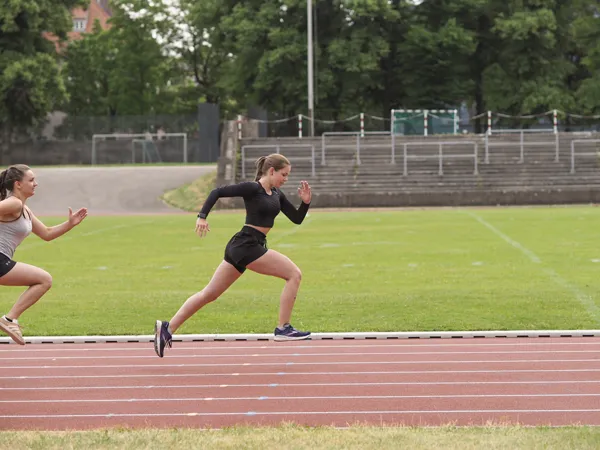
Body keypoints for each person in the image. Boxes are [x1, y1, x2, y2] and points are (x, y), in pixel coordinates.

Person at [154, 154, 312, 357]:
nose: (286, 179)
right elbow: (217, 192)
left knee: (210, 294)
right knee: (294, 274)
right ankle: (283, 328)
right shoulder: (253, 188)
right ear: (271, 171)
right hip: (247, 245)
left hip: (244, 246)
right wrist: (202, 216)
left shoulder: (276, 194)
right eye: (284, 174)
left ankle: (167, 328)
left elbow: (297, 218)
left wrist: (305, 203)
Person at [0, 165, 88, 345]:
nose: (36, 184)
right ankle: (9, 319)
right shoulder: (14, 203)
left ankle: (9, 319)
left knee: (43, 279)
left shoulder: (24, 209)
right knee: (43, 279)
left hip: (3, 260)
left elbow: (46, 233)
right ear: (18, 184)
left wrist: (70, 224)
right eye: (31, 180)